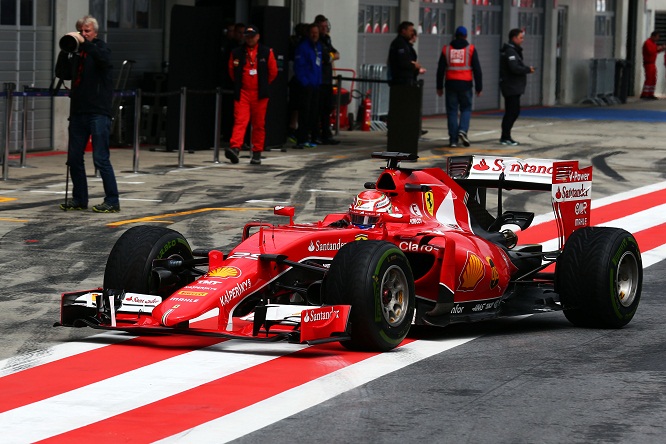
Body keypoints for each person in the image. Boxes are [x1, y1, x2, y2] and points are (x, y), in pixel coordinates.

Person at [60, 15, 120, 213]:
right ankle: (79, 199)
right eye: (81, 31)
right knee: (74, 158)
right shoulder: (77, 53)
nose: (84, 35)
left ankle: (112, 200)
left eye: (87, 31)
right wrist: (65, 51)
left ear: (95, 32)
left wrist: (85, 44)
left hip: (98, 112)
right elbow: (62, 74)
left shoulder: (101, 49)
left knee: (101, 158)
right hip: (78, 112)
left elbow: (103, 60)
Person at [226, 25, 278, 165]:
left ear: (258, 36)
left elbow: (273, 72)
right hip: (243, 92)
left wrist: (262, 84)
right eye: (247, 36)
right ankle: (235, 148)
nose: (250, 39)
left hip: (259, 94)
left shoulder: (266, 52)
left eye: (252, 36)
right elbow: (232, 71)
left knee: (259, 124)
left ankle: (257, 153)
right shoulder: (236, 52)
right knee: (240, 120)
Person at [436, 26, 483, 148]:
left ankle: (453, 140)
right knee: (466, 109)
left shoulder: (446, 50)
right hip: (465, 84)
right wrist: (479, 87)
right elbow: (477, 69)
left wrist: (439, 86)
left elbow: (440, 70)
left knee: (452, 111)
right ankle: (462, 130)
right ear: (466, 36)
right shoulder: (471, 49)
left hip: (451, 84)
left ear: (455, 35)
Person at [499, 28, 535, 146]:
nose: (522, 40)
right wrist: (527, 70)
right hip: (510, 86)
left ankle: (506, 136)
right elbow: (514, 68)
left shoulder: (514, 51)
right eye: (520, 38)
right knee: (512, 112)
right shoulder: (510, 51)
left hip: (514, 86)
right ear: (514, 38)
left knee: (513, 111)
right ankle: (505, 136)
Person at [293, 23, 323, 149]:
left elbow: (319, 66)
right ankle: (301, 138)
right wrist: (305, 82)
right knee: (304, 112)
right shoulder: (303, 47)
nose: (314, 35)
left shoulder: (318, 46)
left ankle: (311, 137)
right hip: (306, 85)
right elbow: (298, 67)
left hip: (315, 84)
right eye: (312, 33)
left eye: (316, 32)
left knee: (313, 112)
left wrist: (318, 81)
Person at [312, 15, 340, 145]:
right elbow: (326, 57)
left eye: (325, 26)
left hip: (328, 79)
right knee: (317, 109)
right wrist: (330, 56)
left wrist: (331, 56)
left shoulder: (327, 39)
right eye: (321, 27)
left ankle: (326, 133)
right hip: (319, 79)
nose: (324, 29)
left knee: (327, 108)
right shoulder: (317, 41)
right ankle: (317, 134)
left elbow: (335, 54)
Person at [387, 21, 425, 86]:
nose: (412, 33)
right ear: (404, 31)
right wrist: (414, 65)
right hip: (401, 81)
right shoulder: (400, 44)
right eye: (410, 31)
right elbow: (402, 61)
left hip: (406, 79)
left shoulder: (405, 44)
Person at [641, 31, 665, 100]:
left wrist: (661, 48)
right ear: (653, 36)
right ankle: (645, 94)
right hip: (648, 63)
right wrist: (658, 48)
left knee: (653, 78)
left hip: (652, 63)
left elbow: (655, 51)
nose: (658, 38)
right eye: (657, 37)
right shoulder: (648, 43)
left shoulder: (653, 43)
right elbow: (651, 51)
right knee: (649, 78)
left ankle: (650, 93)